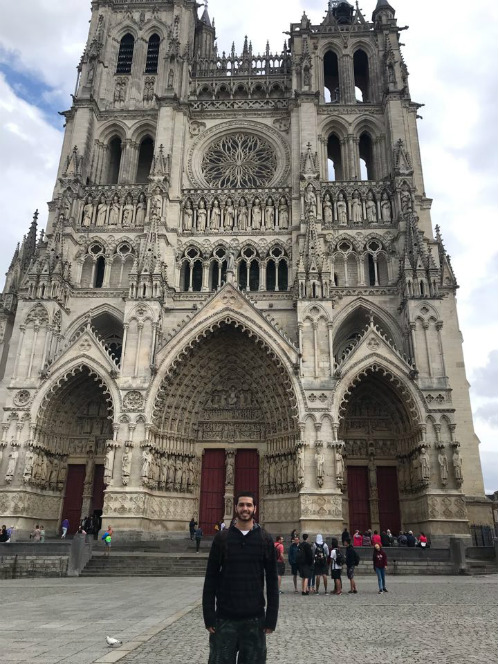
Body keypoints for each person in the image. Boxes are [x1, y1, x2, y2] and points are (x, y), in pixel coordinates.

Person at [203, 492, 278, 664]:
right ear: (236, 508)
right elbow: (211, 579)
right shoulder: (221, 538)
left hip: (255, 619)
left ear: (255, 509)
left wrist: (271, 618)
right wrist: (209, 615)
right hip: (224, 618)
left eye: (249, 505)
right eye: (242, 505)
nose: (245, 508)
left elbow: (273, 581)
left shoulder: (265, 539)